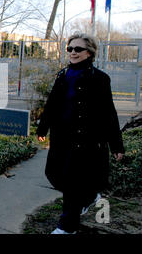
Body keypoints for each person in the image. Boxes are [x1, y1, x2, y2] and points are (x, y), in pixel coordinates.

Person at [37, 32, 124, 234]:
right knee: (56, 175)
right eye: (70, 48)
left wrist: (116, 145)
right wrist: (43, 127)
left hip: (87, 142)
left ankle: (67, 227)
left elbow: (109, 113)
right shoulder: (63, 75)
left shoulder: (100, 79)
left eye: (78, 49)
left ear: (89, 53)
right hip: (62, 139)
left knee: (73, 183)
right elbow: (52, 105)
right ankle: (90, 196)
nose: (72, 52)